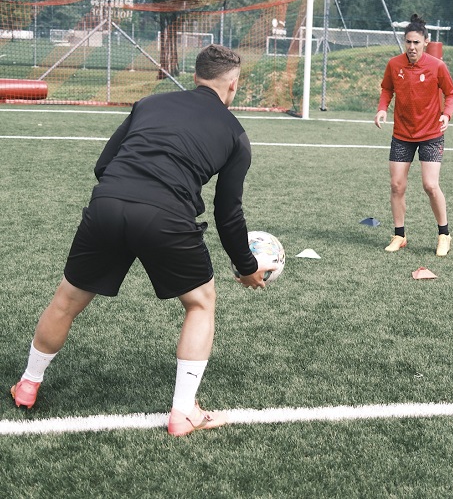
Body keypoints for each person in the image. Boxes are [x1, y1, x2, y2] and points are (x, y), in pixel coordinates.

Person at [11, 44, 275, 436]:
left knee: (66, 301)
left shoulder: (150, 103)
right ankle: (183, 413)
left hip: (108, 203)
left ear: (195, 75)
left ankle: (28, 384)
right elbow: (227, 213)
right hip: (166, 218)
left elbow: (103, 165)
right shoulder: (236, 134)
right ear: (233, 84)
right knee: (200, 304)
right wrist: (247, 267)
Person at [374, 14, 453, 257]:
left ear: (426, 42)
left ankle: (444, 234)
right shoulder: (394, 65)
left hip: (431, 133)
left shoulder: (437, 66)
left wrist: (446, 115)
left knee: (430, 185)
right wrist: (382, 109)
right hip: (402, 133)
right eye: (408, 42)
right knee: (396, 185)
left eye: (416, 43)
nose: (411, 47)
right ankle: (399, 235)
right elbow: (386, 89)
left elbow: (451, 93)